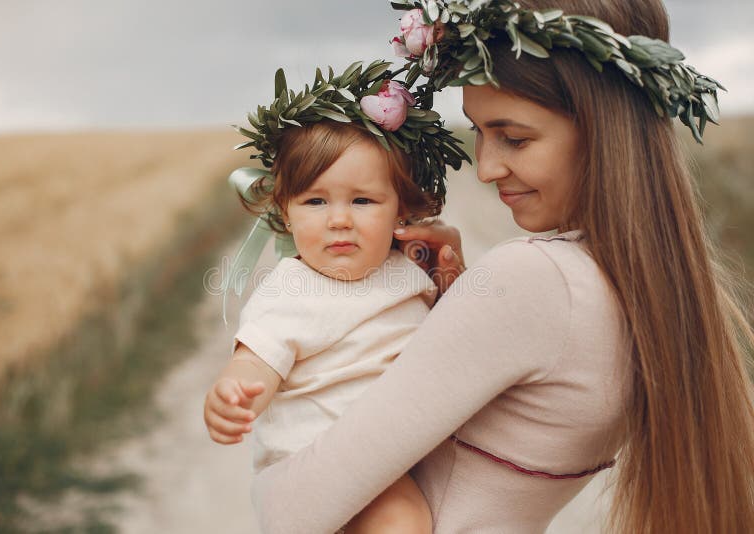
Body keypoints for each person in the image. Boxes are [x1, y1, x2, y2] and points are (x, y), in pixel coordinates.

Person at [244, 1, 754, 533]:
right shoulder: (652, 288)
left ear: (604, 127)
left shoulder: (535, 281)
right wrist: (454, 307)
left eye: (514, 137)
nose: (486, 168)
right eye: (480, 133)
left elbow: (291, 511)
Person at [203, 63, 469, 533]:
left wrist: (450, 276)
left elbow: (447, 339)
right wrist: (234, 394)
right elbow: (257, 358)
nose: (340, 220)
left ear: (401, 211)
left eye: (362, 201)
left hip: (384, 457)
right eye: (316, 202)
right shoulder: (291, 289)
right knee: (402, 521)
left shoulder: (407, 272)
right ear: (285, 213)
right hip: (312, 462)